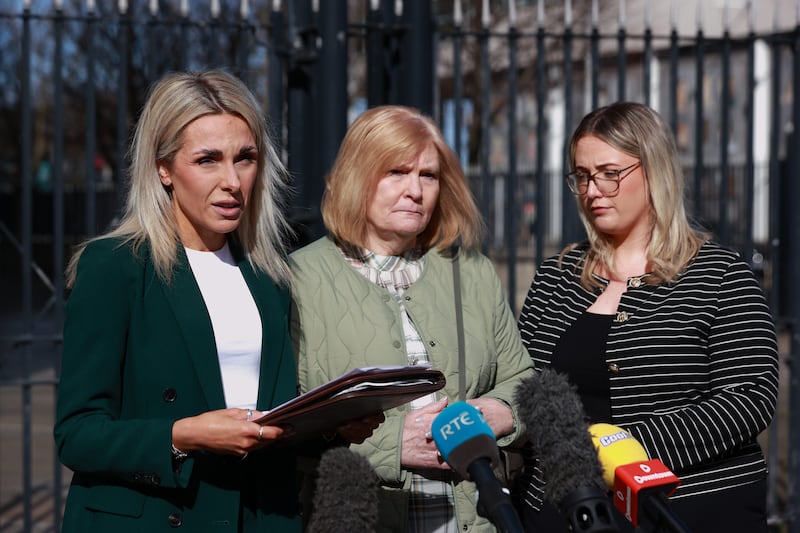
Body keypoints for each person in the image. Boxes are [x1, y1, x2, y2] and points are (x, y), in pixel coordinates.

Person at [53, 70, 380, 533]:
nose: (232, 181)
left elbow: (268, 421)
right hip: (155, 516)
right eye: (208, 160)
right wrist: (185, 435)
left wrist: (331, 426)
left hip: (259, 513)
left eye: (244, 158)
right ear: (163, 168)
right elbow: (77, 435)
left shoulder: (270, 272)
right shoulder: (114, 267)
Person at [515, 101, 779, 532]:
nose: (593, 189)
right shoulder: (556, 276)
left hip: (687, 506)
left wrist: (626, 448)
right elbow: (525, 385)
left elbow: (748, 398)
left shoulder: (720, 275)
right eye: (582, 176)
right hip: (568, 509)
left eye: (609, 173)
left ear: (653, 170)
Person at [289, 105, 535, 532]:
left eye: (429, 175)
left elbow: (522, 379)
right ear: (356, 176)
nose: (415, 191)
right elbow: (283, 420)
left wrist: (500, 411)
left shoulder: (470, 270)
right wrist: (390, 445)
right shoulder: (298, 278)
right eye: (396, 172)